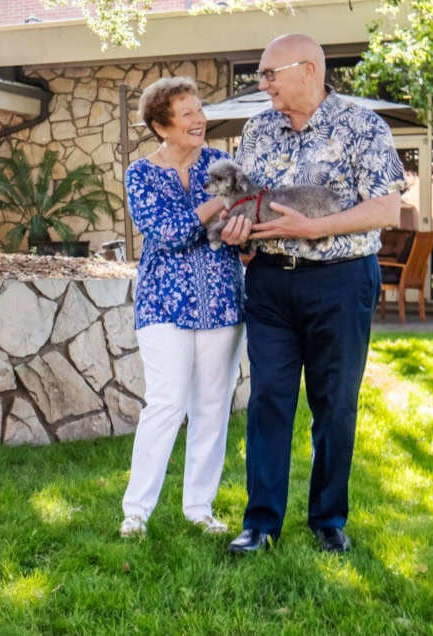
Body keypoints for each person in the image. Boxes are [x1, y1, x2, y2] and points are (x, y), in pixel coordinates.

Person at [218, 34, 405, 555]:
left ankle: (327, 519)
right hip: (271, 283)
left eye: (269, 74)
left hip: (341, 282)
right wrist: (239, 235)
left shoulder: (364, 126)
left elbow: (386, 210)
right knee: (268, 400)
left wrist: (313, 228)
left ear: (307, 70)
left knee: (335, 405)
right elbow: (243, 204)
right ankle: (260, 523)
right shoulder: (256, 130)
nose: (263, 84)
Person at [118, 77, 245, 539]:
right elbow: (170, 233)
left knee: (212, 405)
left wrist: (239, 223)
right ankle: (137, 510)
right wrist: (218, 205)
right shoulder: (141, 174)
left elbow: (248, 214)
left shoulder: (222, 163)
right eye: (187, 113)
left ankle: (199, 507)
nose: (199, 120)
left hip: (222, 303)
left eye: (200, 110)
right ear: (161, 125)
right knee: (167, 401)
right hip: (164, 304)